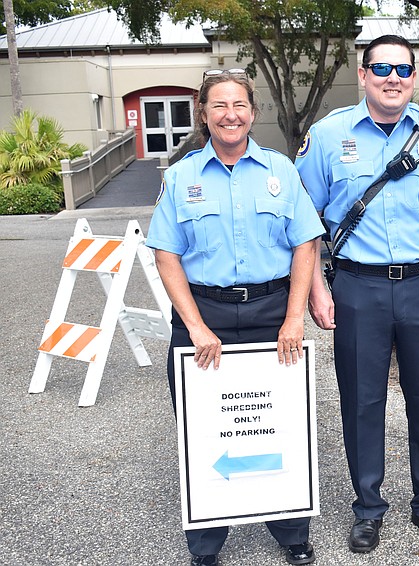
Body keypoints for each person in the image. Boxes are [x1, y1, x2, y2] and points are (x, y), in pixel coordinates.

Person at [294, 35, 419, 553]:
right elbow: (303, 221)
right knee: (362, 402)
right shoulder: (327, 137)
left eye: (404, 69)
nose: (394, 77)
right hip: (356, 288)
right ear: (364, 74)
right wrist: (315, 290)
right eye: (383, 67)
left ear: (415, 78)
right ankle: (368, 509)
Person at [146, 69, 324, 566]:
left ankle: (291, 531)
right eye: (219, 105)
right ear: (203, 113)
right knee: (204, 428)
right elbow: (166, 255)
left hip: (272, 312)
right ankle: (206, 544)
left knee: (280, 423)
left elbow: (305, 243)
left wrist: (294, 318)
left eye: (240, 105)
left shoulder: (279, 171)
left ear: (252, 112)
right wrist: (197, 327)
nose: (231, 114)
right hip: (205, 316)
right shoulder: (180, 177)